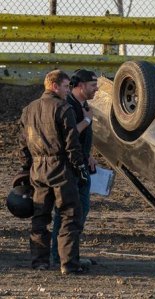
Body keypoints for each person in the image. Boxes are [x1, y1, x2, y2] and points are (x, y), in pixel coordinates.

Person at [18, 69, 89, 274]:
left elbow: (23, 144)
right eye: (66, 86)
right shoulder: (63, 108)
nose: (68, 91)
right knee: (69, 215)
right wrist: (79, 168)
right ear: (55, 86)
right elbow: (71, 144)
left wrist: (26, 168)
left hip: (38, 169)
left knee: (40, 217)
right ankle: (68, 264)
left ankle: (40, 261)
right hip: (60, 168)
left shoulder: (28, 110)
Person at [51, 69, 98, 265]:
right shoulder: (69, 106)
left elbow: (80, 139)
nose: (96, 89)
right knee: (69, 213)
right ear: (80, 86)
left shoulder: (82, 105)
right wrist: (87, 121)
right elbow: (67, 136)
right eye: (92, 85)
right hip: (71, 167)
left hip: (80, 164)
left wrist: (88, 155)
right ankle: (61, 256)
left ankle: (68, 255)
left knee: (77, 212)